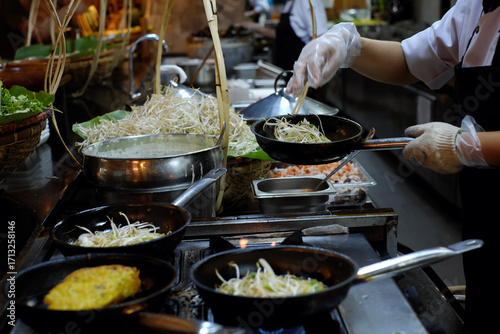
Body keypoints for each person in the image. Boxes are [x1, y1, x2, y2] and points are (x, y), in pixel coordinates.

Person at [285, 0, 500, 331]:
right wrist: (348, 46)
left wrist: (470, 146)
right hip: (484, 207)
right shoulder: (475, 7)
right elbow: (409, 61)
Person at [237, 0, 328, 70]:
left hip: (302, 71)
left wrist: (310, 68)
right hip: (288, 69)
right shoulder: (290, 3)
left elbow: (320, 37)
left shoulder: (306, 2)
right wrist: (255, 28)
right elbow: (283, 36)